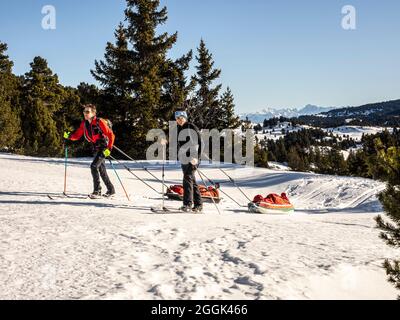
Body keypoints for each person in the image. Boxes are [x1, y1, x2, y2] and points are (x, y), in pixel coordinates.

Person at [64, 104, 116, 198]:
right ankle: (111, 189)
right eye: (84, 111)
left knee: (94, 166)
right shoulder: (84, 123)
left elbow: (111, 134)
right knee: (101, 169)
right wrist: (69, 136)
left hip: (103, 147)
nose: (85, 113)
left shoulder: (99, 122)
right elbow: (77, 135)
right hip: (96, 148)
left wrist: (109, 148)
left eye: (87, 112)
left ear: (93, 113)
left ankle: (97, 191)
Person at [175, 110, 203, 212]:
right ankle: (199, 205)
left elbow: (201, 143)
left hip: (193, 159)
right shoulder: (179, 128)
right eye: (177, 119)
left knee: (187, 179)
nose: (179, 120)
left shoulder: (191, 127)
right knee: (192, 181)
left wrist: (197, 157)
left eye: (181, 118)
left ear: (185, 118)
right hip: (184, 159)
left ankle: (187, 204)